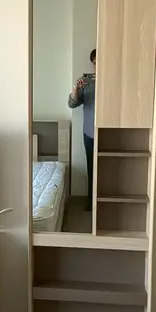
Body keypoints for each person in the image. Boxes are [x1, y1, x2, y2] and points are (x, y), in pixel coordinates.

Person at [68, 48, 96, 202]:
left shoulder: (113, 80)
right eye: (95, 63)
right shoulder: (85, 82)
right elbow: (72, 104)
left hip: (109, 133)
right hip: (89, 133)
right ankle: (91, 200)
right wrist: (75, 91)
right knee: (91, 168)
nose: (97, 66)